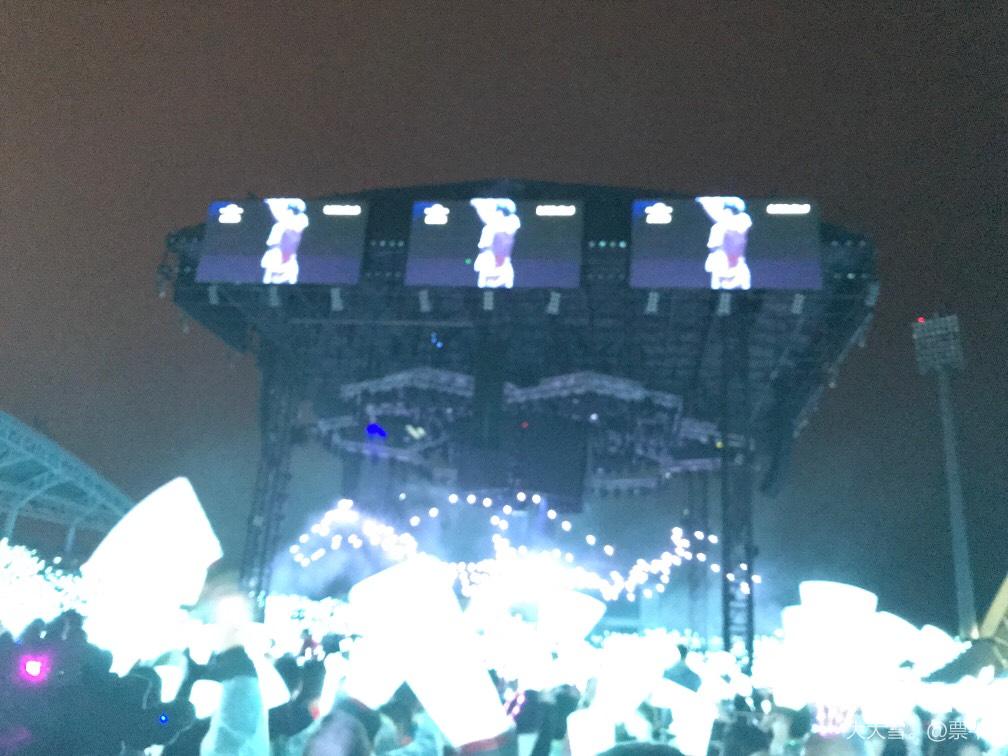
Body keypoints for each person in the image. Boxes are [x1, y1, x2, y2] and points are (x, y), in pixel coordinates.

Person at [696, 196, 752, 290]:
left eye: (726, 209)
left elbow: (730, 225)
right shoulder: (718, 227)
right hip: (720, 270)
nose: (724, 211)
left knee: (744, 296)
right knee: (715, 296)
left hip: (737, 270)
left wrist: (706, 204)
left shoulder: (743, 220)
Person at [470, 198, 520, 289]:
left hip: (500, 265)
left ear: (501, 212)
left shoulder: (511, 222)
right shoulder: (492, 226)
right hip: (490, 264)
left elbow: (486, 217)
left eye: (496, 211)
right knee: (482, 293)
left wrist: (479, 203)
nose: (494, 213)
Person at [261, 198, 309, 285]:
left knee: (290, 283)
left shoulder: (301, 220)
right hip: (275, 254)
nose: (286, 211)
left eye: (288, 209)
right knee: (267, 281)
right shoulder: (279, 225)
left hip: (288, 258)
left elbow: (281, 217)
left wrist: (272, 202)